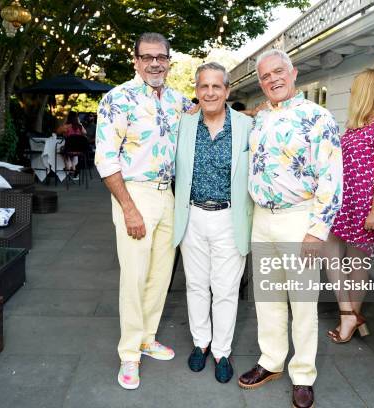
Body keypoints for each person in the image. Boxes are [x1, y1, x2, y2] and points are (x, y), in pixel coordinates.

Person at [238, 49, 342, 408]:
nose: (272, 80)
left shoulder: (319, 117)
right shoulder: (261, 118)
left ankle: (303, 374)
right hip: (262, 219)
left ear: (293, 72)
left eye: (278, 72)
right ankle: (271, 361)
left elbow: (332, 178)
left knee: (303, 303)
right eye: (265, 76)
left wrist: (317, 230)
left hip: (300, 220)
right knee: (267, 298)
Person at [94, 32, 192, 390]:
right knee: (134, 277)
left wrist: (258, 112)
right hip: (133, 194)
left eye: (161, 57)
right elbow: (105, 160)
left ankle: (147, 338)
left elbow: (210, 115)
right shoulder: (116, 99)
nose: (154, 63)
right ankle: (129, 355)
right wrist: (129, 208)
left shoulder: (179, 101)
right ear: (135, 60)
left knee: (160, 274)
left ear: (169, 61)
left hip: (168, 196)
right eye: (147, 57)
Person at [173, 62, 253, 383]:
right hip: (192, 216)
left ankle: (222, 350)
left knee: (225, 289)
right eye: (203, 86)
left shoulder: (246, 126)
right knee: (195, 285)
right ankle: (200, 343)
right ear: (196, 91)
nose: (209, 92)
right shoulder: (184, 124)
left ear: (227, 91)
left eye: (216, 86)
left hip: (229, 217)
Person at [325, 68, 374, 343]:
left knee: (357, 262)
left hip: (368, 203)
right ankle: (350, 314)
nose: (351, 94)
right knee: (330, 250)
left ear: (367, 91)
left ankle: (350, 318)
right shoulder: (357, 124)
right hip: (346, 201)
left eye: (355, 89)